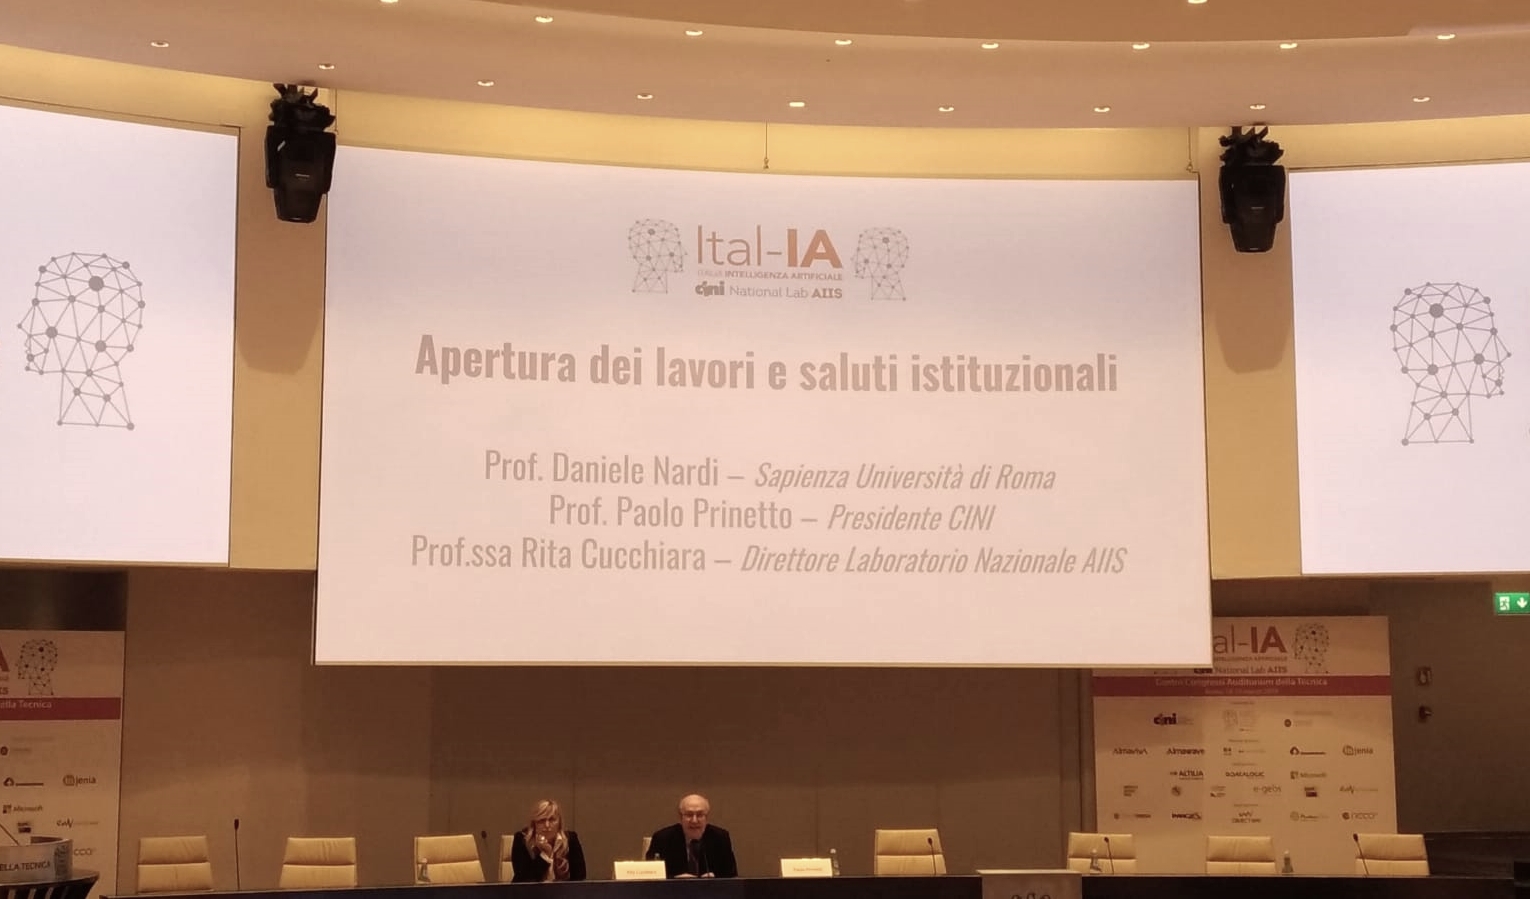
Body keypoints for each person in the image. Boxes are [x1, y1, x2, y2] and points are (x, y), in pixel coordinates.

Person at [646, 793, 737, 878]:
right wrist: (674, 880)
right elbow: (651, 878)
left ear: (707, 818)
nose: (694, 820)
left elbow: (732, 876)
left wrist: (715, 879)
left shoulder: (720, 838)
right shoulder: (662, 839)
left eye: (700, 815)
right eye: (689, 815)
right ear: (680, 818)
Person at [509, 799, 586, 882]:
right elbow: (523, 880)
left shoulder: (571, 839)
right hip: (531, 890)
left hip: (563, 890)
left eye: (552, 820)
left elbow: (580, 877)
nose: (547, 825)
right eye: (541, 820)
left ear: (559, 823)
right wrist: (545, 856)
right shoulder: (522, 840)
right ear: (534, 824)